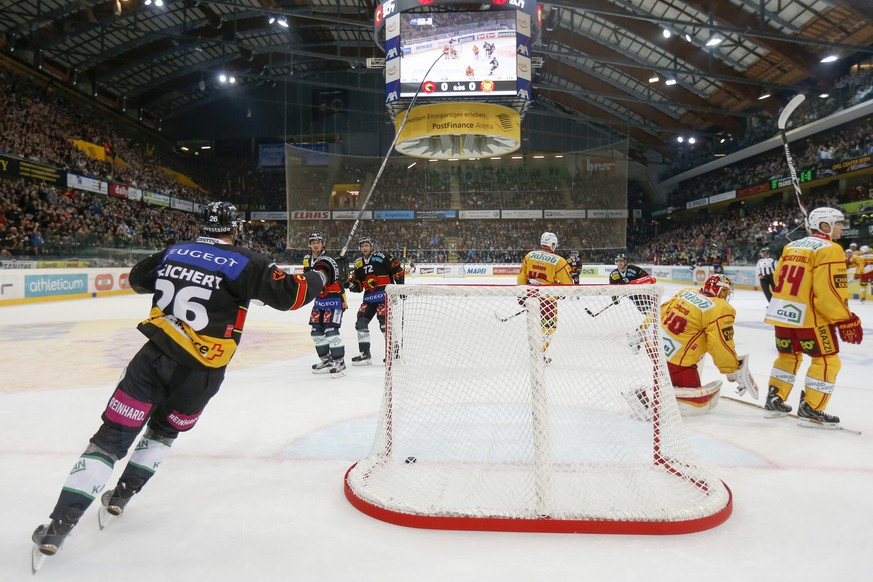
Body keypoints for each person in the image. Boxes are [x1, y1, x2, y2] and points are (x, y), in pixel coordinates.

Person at [31, 202, 325, 566]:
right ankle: (121, 496)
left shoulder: (174, 251)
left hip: (152, 361)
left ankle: (59, 526)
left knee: (108, 442)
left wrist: (174, 263)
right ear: (235, 227)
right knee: (162, 435)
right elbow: (293, 296)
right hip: (202, 375)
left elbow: (138, 279)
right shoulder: (247, 261)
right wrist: (322, 274)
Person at [763, 207, 862, 428]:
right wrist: (845, 319)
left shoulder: (791, 246)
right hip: (809, 318)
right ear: (825, 226)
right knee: (827, 360)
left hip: (782, 314)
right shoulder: (831, 249)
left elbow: (778, 278)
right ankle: (812, 408)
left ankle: (775, 398)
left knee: (788, 357)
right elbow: (829, 292)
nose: (841, 228)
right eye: (838, 223)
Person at [660, 274, 755, 415]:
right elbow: (720, 344)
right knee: (696, 405)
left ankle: (666, 385)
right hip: (678, 361)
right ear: (721, 291)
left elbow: (661, 310)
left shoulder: (686, 292)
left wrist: (643, 329)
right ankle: (660, 400)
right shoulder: (720, 308)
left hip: (657, 349)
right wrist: (731, 368)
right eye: (725, 292)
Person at [347, 237, 405, 365]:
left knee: (384, 324)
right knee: (360, 324)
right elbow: (358, 286)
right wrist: (348, 283)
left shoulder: (381, 256)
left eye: (367, 245)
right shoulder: (358, 263)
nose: (364, 248)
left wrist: (400, 287)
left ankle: (393, 354)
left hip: (384, 295)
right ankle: (365, 355)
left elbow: (396, 268)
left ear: (372, 246)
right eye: (362, 246)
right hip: (368, 298)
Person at [517, 232, 573, 363]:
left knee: (533, 326)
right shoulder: (559, 261)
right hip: (548, 300)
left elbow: (521, 278)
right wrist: (560, 294)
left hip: (531, 297)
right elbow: (568, 285)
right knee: (548, 328)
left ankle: (534, 352)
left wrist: (522, 295)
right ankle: (539, 354)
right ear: (553, 244)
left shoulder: (529, 256)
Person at [303, 232, 349, 377]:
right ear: (310, 245)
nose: (315, 244)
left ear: (323, 243)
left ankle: (339, 361)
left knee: (330, 330)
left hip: (335, 299)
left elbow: (344, 278)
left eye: (318, 242)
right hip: (319, 300)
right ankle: (326, 359)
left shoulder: (332, 258)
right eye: (313, 242)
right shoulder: (306, 259)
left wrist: (341, 266)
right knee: (316, 332)